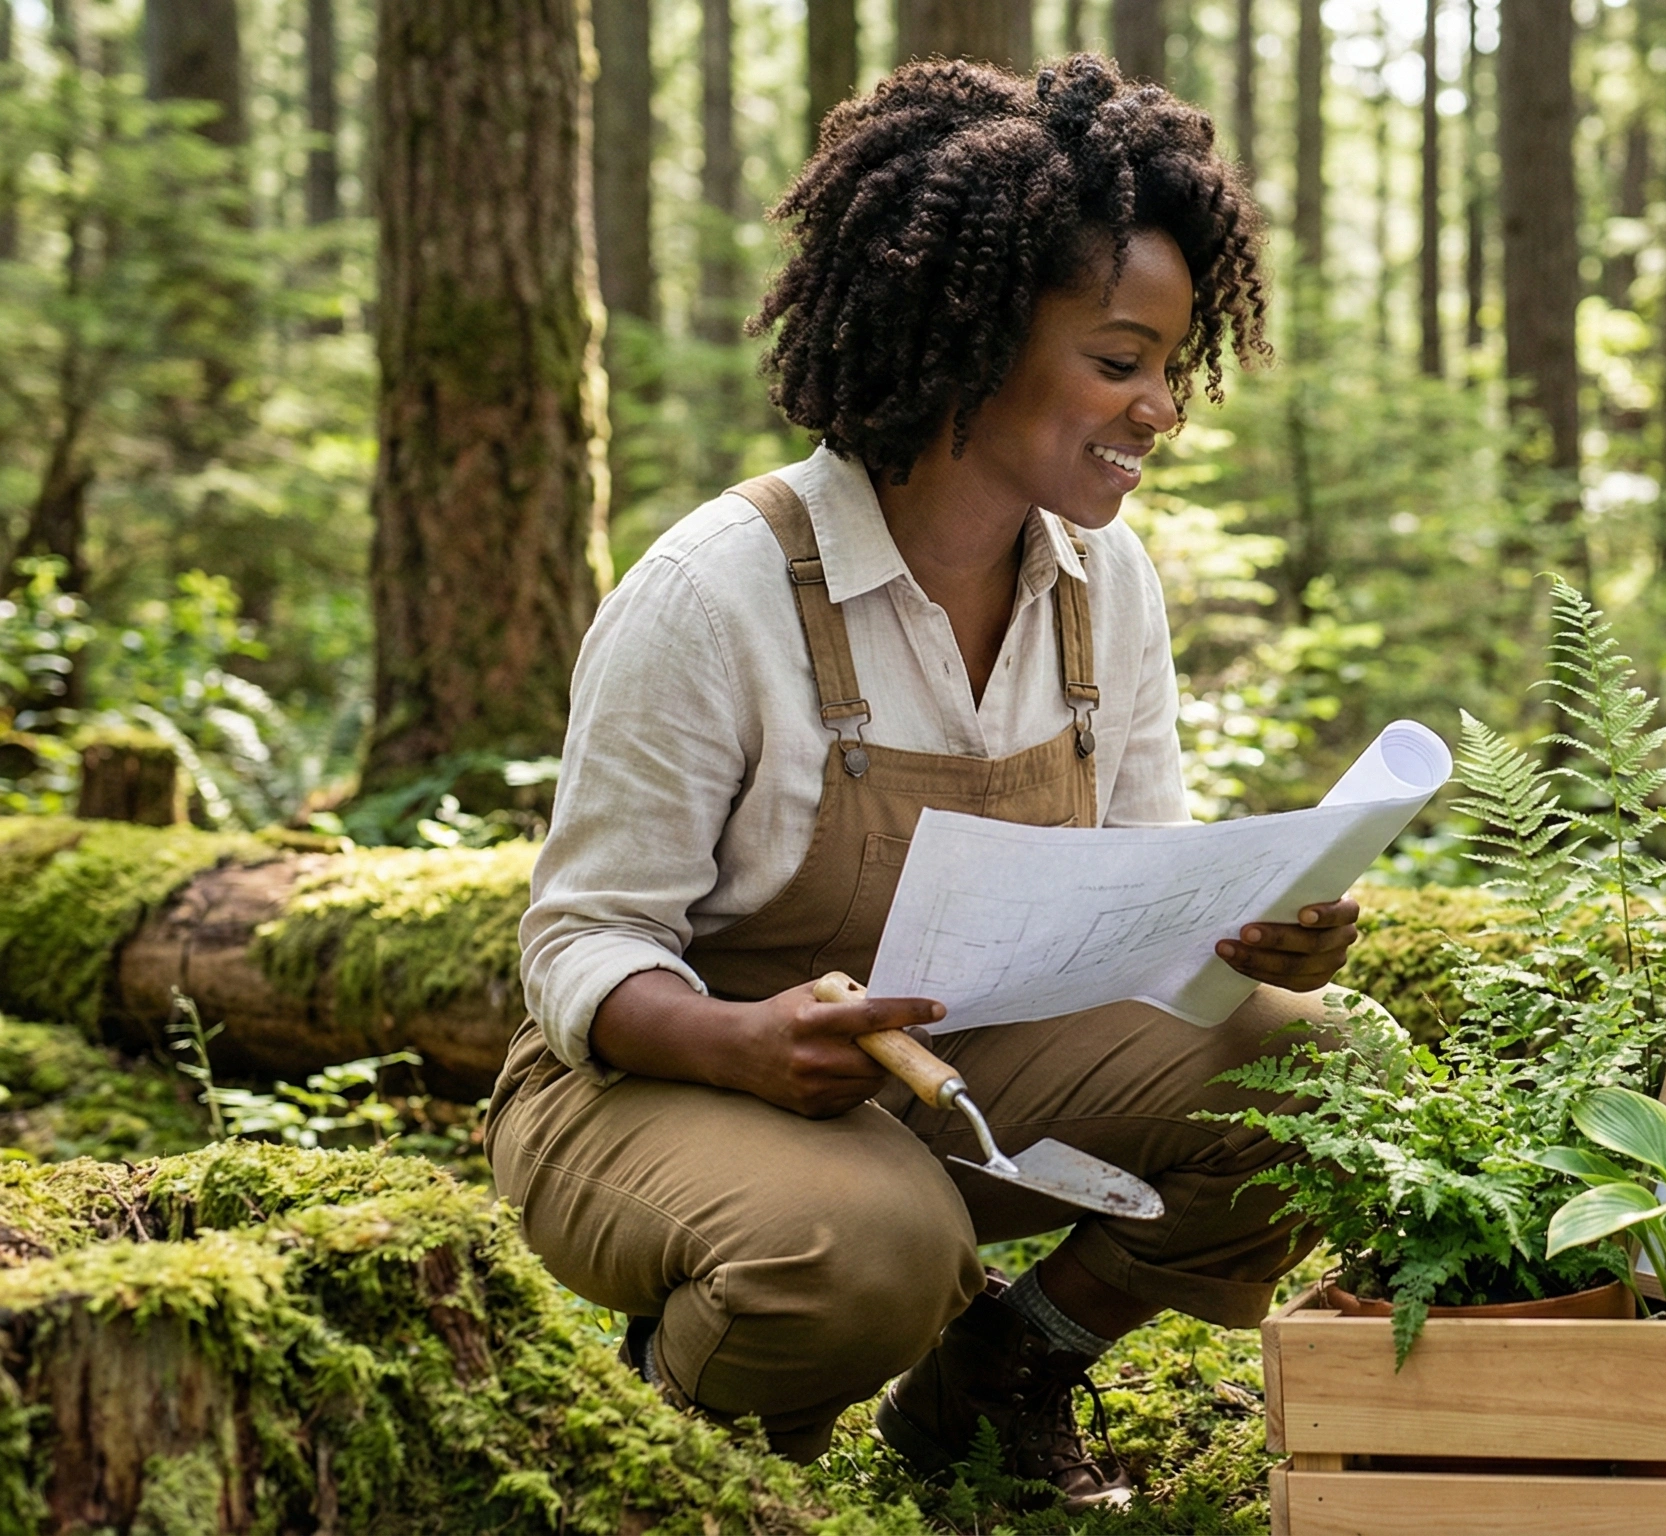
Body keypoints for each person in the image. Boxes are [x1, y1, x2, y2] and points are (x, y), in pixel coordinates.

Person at [490, 56, 1354, 1510]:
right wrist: (741, 1045)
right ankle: (675, 1443)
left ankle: (992, 1386)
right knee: (862, 1249)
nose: (1161, 411)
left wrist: (1251, 933)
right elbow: (577, 944)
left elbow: (1140, 878)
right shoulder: (717, 592)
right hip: (659, 1084)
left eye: (1168, 368)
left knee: (1321, 1074)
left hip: (961, 1067)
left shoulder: (1106, 580)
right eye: (1118, 360)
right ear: (974, 336)